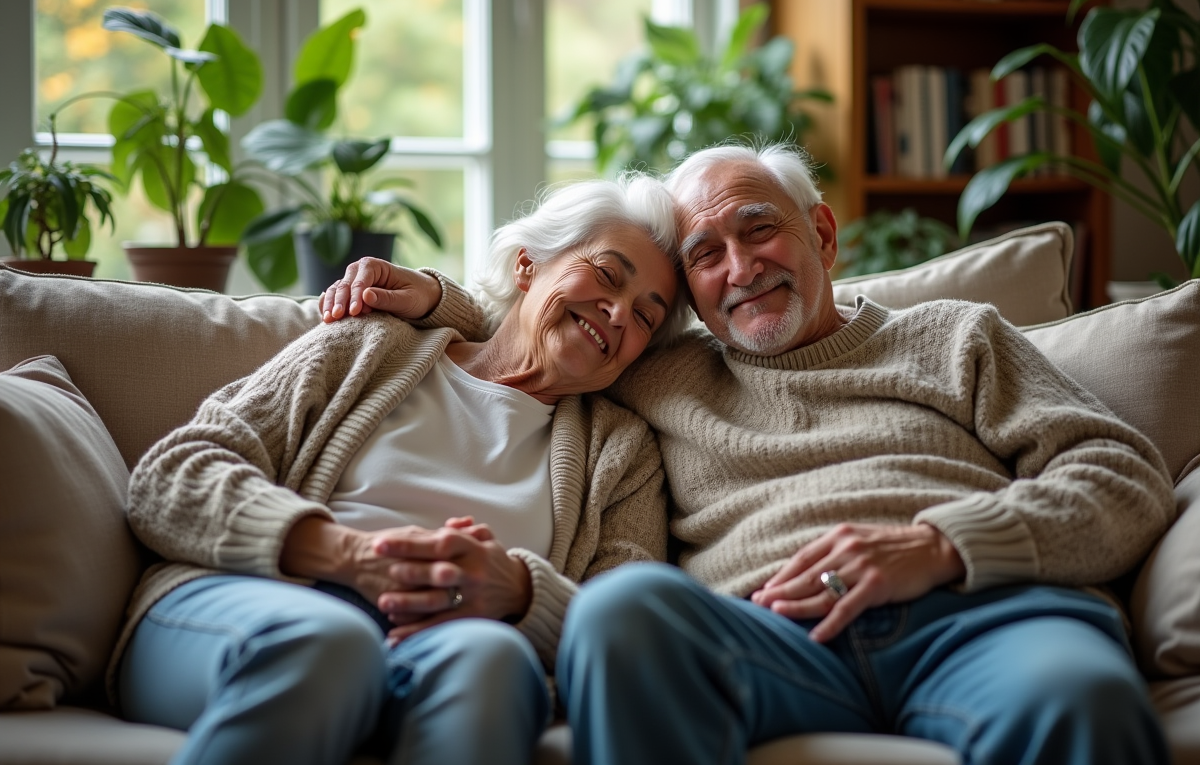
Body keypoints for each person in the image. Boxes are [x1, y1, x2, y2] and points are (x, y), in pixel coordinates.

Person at [320, 143, 1178, 765]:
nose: (740, 267)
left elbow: (1124, 475)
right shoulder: (662, 372)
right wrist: (442, 297)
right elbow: (548, 328)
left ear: (824, 234)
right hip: (769, 645)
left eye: (759, 230)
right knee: (623, 609)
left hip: (983, 623)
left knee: (1085, 699)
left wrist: (942, 546)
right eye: (704, 254)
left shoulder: (955, 336)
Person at [114, 174, 690, 765]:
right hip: (257, 605)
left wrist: (520, 593)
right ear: (527, 266)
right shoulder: (370, 346)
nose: (619, 312)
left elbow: (623, 638)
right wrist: (348, 556)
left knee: (494, 662)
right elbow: (173, 474)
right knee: (329, 644)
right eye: (606, 274)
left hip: (440, 647)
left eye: (646, 317)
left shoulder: (623, 455)